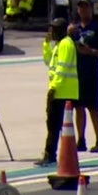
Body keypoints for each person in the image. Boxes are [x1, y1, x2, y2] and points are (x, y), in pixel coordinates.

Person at [35, 18, 79, 167]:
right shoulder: (59, 45)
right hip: (60, 90)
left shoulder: (66, 44)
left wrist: (53, 87)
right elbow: (48, 61)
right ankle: (51, 153)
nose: (51, 32)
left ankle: (50, 154)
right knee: (53, 124)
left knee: (54, 125)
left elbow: (63, 68)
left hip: (62, 92)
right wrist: (47, 44)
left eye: (54, 29)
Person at [73, 0, 98, 153]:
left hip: (92, 73)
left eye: (86, 8)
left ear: (91, 9)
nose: (83, 11)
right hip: (77, 74)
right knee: (78, 107)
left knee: (93, 107)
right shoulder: (75, 30)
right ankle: (80, 139)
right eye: (81, 8)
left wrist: (91, 52)